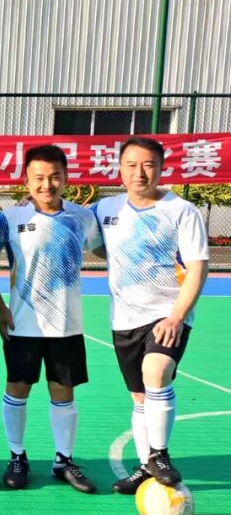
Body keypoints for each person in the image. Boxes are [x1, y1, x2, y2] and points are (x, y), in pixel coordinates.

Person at [0, 144, 101, 492]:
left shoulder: (82, 218)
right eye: (39, 178)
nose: (47, 184)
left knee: (63, 393)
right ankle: (17, 456)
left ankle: (63, 461)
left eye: (54, 177)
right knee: (17, 389)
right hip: (23, 323)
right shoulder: (9, 219)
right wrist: (0, 307)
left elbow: (107, 250)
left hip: (67, 325)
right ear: (26, 181)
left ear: (66, 178)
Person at [94, 137, 209, 493]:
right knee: (140, 397)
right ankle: (146, 466)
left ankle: (159, 454)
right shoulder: (105, 209)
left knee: (156, 371)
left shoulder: (181, 211)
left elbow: (198, 267)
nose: (139, 173)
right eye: (131, 165)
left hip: (167, 314)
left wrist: (177, 317)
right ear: (120, 169)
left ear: (161, 168)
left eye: (148, 165)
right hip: (123, 318)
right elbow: (98, 246)